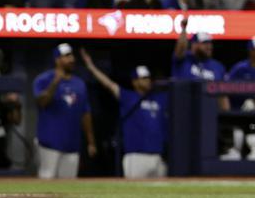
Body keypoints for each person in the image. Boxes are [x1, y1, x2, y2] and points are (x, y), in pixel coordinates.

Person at [80, 49, 167, 178]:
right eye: (143, 78)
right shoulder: (128, 97)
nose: (147, 81)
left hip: (157, 155)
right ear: (134, 82)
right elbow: (109, 84)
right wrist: (91, 67)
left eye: (148, 78)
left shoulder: (158, 98)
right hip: (136, 156)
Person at [33, 43, 96, 179]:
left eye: (72, 55)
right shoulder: (44, 79)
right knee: (46, 182)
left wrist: (91, 142)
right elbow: (42, 102)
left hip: (72, 144)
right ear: (57, 59)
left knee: (69, 186)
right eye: (67, 56)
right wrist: (55, 82)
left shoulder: (79, 84)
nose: (72, 59)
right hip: (49, 144)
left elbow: (85, 114)